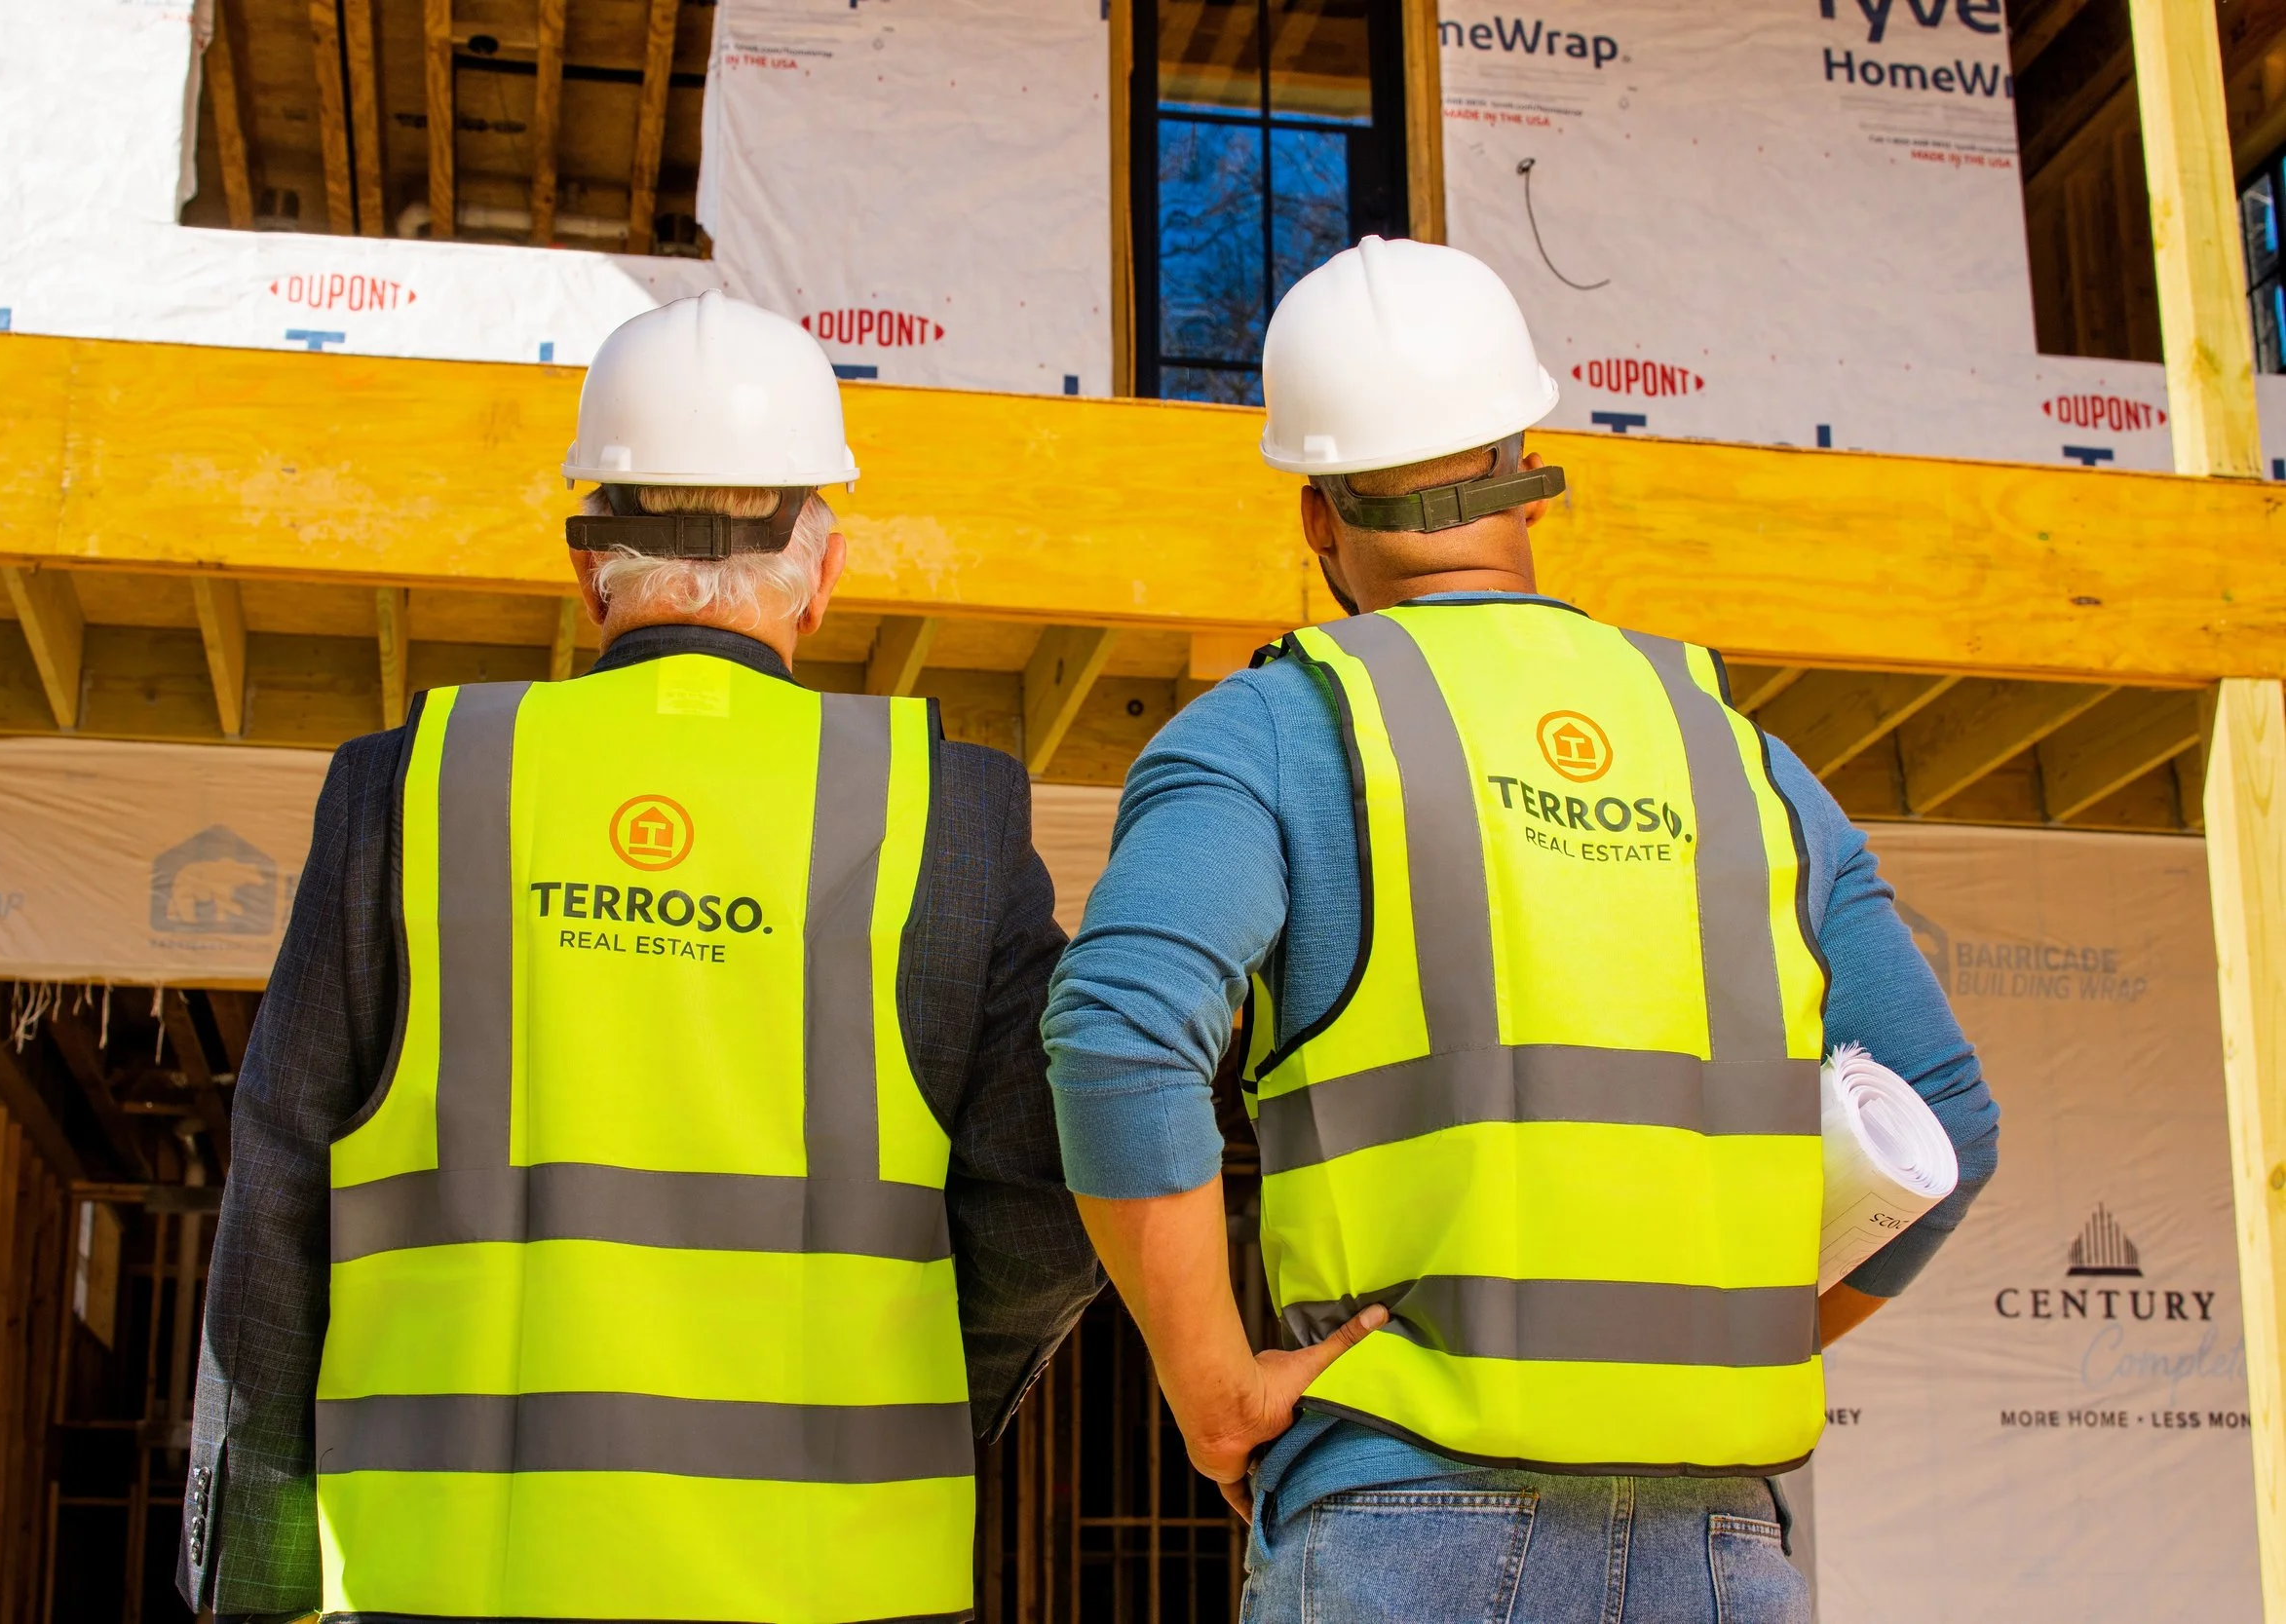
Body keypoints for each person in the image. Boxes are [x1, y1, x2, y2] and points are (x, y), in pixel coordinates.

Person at [1044, 238, 2000, 1622]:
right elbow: (1950, 1127)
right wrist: (1734, 1347)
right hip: (1722, 1544)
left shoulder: (1283, 728)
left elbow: (1119, 1030)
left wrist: (1216, 1389)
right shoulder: (1742, 757)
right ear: (1528, 465)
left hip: (1403, 1515)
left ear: (1317, 518)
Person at [179, 289, 1101, 1623]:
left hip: (427, 1586)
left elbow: (275, 1205)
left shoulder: (412, 794)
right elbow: (1054, 1193)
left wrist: (249, 1583)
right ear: (825, 573)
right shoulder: (938, 814)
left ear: (585, 565)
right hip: (829, 1593)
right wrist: (901, 1385)